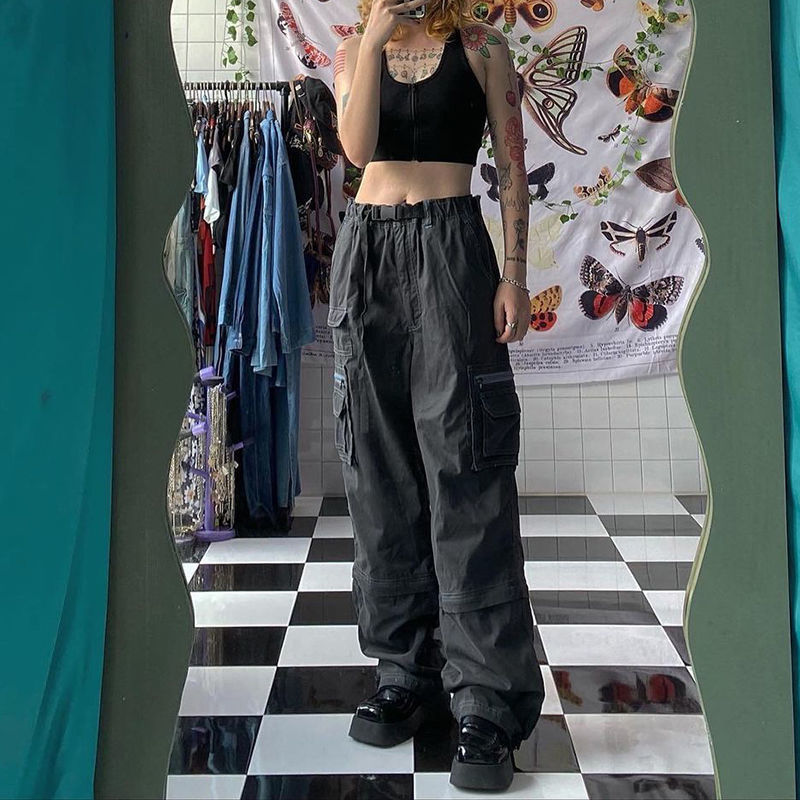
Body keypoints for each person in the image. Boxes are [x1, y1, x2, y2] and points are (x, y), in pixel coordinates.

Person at [329, 0, 545, 790]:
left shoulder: (484, 47)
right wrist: (374, 43)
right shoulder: (354, 50)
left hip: (453, 249)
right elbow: (356, 151)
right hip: (368, 254)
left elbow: (513, 169)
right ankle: (404, 672)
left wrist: (515, 275)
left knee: (467, 462)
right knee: (377, 470)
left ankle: (486, 698)